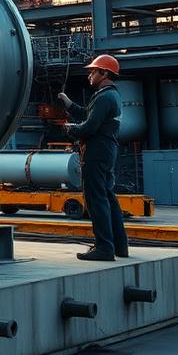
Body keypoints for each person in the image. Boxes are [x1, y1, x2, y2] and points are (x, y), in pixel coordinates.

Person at [58, 54, 129, 262]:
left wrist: (70, 130)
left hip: (96, 153)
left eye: (93, 71)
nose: (89, 75)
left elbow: (89, 127)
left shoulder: (104, 97)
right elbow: (88, 115)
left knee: (96, 200)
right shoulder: (109, 96)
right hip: (106, 152)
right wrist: (69, 104)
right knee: (108, 197)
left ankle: (104, 248)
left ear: (104, 73)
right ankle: (119, 245)